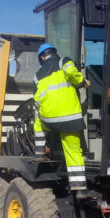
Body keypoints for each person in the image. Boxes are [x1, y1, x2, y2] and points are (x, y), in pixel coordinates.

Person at [33, 43, 94, 200]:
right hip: (69, 119)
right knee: (73, 152)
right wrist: (81, 82)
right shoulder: (63, 61)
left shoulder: (37, 75)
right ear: (54, 53)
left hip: (49, 120)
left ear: (42, 57)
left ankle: (39, 153)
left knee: (38, 121)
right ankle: (80, 189)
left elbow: (37, 100)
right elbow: (72, 72)